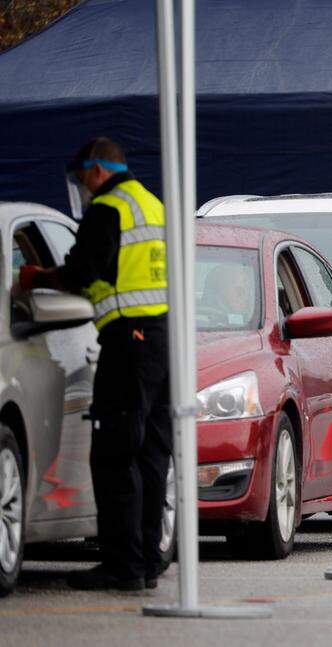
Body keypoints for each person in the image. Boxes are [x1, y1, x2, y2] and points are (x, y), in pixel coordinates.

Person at [19, 138, 171, 591]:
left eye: (83, 176)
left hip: (129, 339)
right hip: (159, 339)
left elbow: (82, 271)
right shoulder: (151, 204)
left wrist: (37, 278)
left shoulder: (108, 207)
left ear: (98, 170)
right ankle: (145, 562)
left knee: (114, 452)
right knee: (149, 453)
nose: (82, 186)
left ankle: (122, 566)